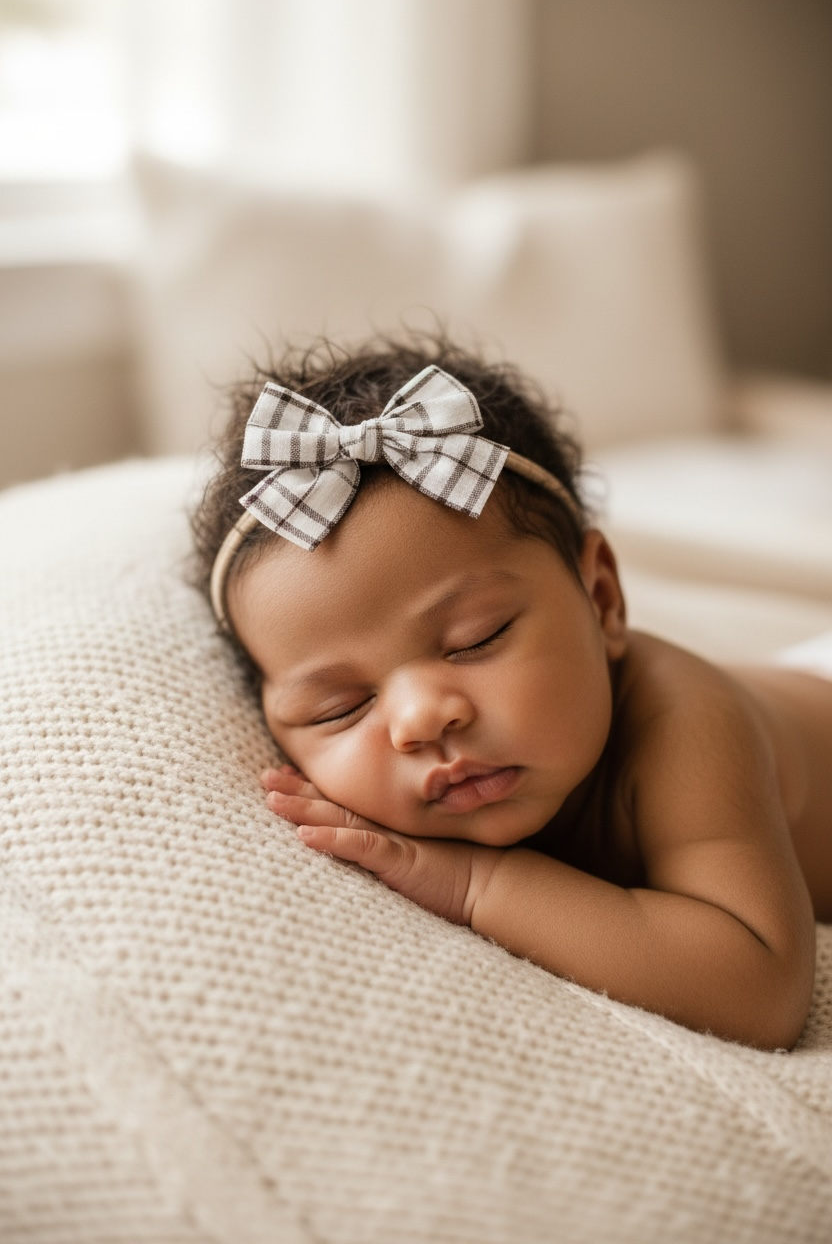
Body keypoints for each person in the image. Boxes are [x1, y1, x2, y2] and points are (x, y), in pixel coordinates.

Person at [193, 333, 832, 1050]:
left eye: (476, 639)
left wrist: (477, 887)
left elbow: (759, 989)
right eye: (339, 707)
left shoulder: (687, 721)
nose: (420, 720)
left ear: (601, 598)